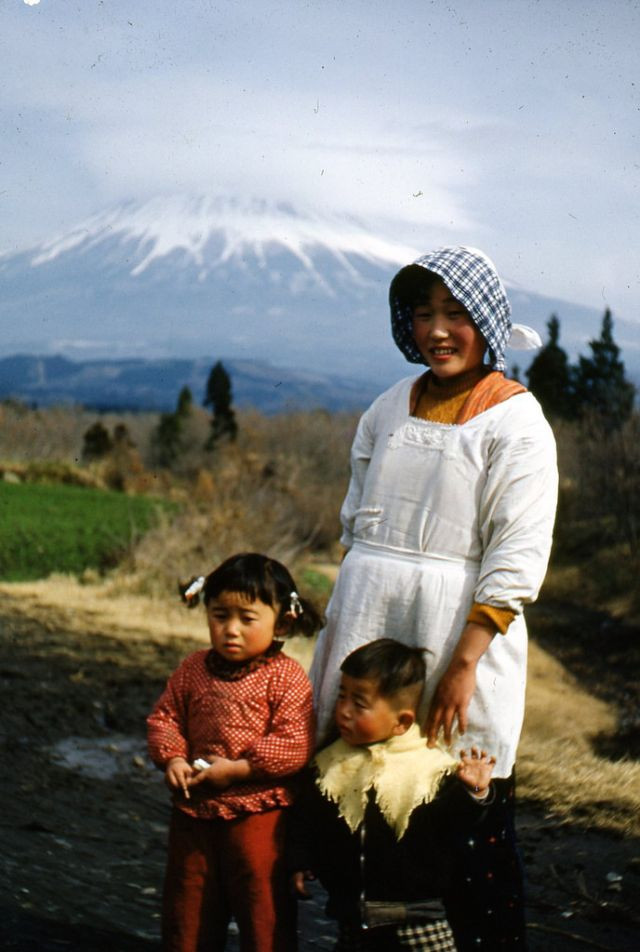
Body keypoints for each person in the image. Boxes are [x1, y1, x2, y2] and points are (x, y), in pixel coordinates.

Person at [309, 246, 558, 948]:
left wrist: (465, 660)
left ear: (487, 320)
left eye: (456, 314)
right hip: (369, 609)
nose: (438, 330)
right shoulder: (391, 405)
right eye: (424, 313)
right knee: (356, 783)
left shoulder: (515, 421)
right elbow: (357, 520)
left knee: (459, 797)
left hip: (457, 625)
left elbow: (516, 551)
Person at [147, 552, 322, 952]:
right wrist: (172, 757)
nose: (231, 630)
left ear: (282, 622)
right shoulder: (192, 670)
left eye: (247, 619)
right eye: (220, 615)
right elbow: (165, 718)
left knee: (263, 911)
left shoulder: (286, 677)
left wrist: (241, 769)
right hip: (194, 814)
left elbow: (295, 743)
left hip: (259, 819)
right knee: (187, 910)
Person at [289, 639, 496, 951]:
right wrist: (299, 860)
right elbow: (307, 821)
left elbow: (455, 826)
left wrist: (475, 792)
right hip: (354, 918)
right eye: (342, 696)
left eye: (359, 704)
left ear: (402, 722)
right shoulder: (329, 764)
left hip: (419, 921)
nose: (343, 711)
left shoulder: (430, 769)